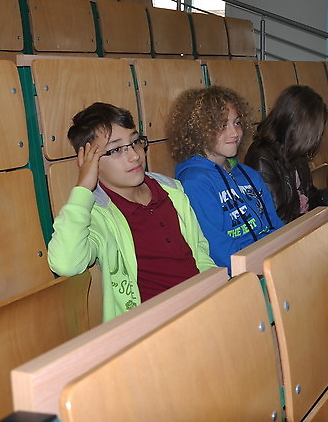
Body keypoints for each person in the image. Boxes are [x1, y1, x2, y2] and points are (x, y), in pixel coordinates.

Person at [47, 102, 216, 322]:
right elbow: (66, 264)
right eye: (116, 150)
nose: (135, 156)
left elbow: (200, 254)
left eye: (135, 142)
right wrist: (83, 188)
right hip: (150, 325)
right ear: (90, 163)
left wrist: (215, 290)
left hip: (202, 306)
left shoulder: (171, 191)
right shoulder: (97, 215)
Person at [168, 86, 283, 270]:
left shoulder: (249, 175)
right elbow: (219, 250)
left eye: (237, 123)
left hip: (270, 262)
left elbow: (276, 225)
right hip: (241, 274)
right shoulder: (195, 183)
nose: (235, 133)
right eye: (222, 126)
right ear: (200, 131)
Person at [244, 85, 328, 223]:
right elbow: (279, 222)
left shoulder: (295, 152)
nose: (317, 138)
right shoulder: (261, 159)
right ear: (299, 129)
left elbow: (310, 199)